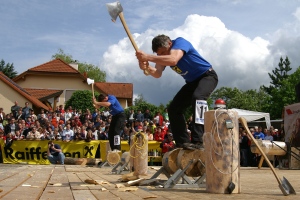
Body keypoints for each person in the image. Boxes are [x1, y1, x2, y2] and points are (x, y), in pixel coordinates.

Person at [135, 34, 218, 150]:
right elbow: (157, 73)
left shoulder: (180, 43)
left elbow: (173, 60)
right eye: (159, 54)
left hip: (207, 76)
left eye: (164, 53)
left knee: (198, 98)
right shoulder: (161, 55)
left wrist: (148, 57)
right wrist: (145, 66)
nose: (162, 56)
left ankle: (199, 140)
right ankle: (182, 142)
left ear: (169, 44)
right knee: (174, 108)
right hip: (192, 82)